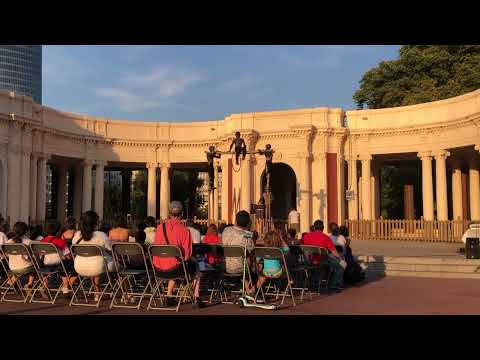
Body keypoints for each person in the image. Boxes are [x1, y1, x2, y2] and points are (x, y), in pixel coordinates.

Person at [153, 201, 204, 308]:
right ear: (181, 214)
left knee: (173, 262)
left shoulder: (159, 228)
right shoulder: (185, 231)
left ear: (169, 213)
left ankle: (169, 295)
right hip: (175, 270)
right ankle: (196, 296)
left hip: (157, 269)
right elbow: (186, 256)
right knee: (196, 266)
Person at [72, 211, 115, 302]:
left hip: (79, 266)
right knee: (120, 268)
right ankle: (126, 294)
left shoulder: (77, 235)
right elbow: (111, 248)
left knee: (95, 260)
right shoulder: (101, 235)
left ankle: (97, 292)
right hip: (98, 267)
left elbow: (73, 246)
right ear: (95, 223)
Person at [303, 220, 345, 289]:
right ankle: (335, 283)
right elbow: (334, 252)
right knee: (342, 265)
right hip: (322, 261)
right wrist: (341, 259)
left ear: (314, 227)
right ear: (323, 227)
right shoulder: (325, 237)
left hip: (308, 260)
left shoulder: (306, 236)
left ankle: (315, 280)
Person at [221, 210, 255, 293]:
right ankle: (250, 288)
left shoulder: (226, 230)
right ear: (248, 223)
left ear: (236, 220)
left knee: (245, 258)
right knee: (249, 258)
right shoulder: (247, 234)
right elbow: (252, 249)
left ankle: (246, 287)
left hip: (226, 266)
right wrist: (248, 229)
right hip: (241, 268)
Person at [41, 220, 76, 294]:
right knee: (67, 267)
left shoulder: (42, 241)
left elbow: (40, 255)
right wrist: (73, 260)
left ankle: (45, 286)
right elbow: (68, 255)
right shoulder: (60, 241)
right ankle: (66, 287)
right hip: (59, 265)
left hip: (46, 264)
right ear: (58, 231)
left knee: (46, 270)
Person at [6, 222, 35, 290]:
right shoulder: (29, 241)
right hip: (25, 268)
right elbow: (34, 256)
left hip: (12, 268)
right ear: (25, 231)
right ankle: (29, 284)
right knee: (35, 266)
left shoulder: (9, 241)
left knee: (18, 268)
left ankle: (11, 281)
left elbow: (6, 255)